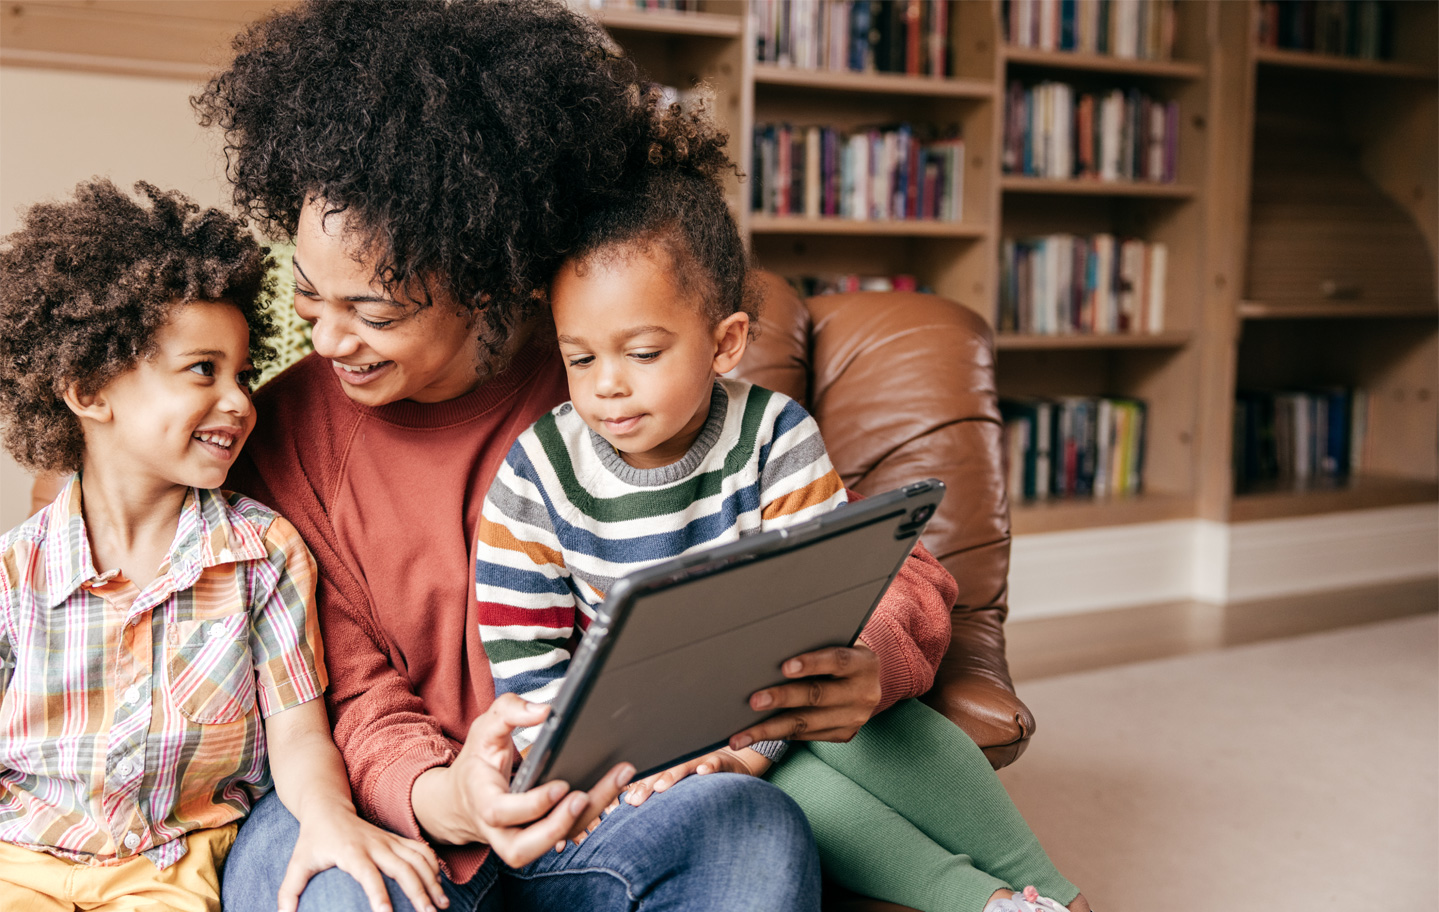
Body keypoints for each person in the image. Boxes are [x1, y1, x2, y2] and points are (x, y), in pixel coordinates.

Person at [193, 2, 887, 909]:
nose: (327, 339)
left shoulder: (612, 362)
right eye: (310, 297)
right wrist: (447, 800)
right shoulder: (281, 435)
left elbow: (854, 553)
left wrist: (858, 657)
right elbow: (340, 691)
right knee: (328, 893)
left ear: (489, 276)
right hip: (390, 807)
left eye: (376, 311)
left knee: (751, 833)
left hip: (604, 806)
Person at [471, 115, 1092, 912]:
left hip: (776, 706)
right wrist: (599, 773)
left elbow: (822, 607)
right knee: (786, 794)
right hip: (637, 752)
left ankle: (1058, 897)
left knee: (864, 729)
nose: (606, 386)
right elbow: (526, 678)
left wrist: (756, 748)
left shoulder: (774, 433)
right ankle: (985, 904)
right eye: (580, 357)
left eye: (644, 352)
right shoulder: (536, 473)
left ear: (724, 343)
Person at [0, 180, 446, 912]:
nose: (241, 400)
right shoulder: (16, 573)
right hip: (20, 857)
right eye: (203, 371)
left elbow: (299, 738)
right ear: (87, 389)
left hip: (168, 872)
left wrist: (332, 820)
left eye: (243, 371)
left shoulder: (263, 554)